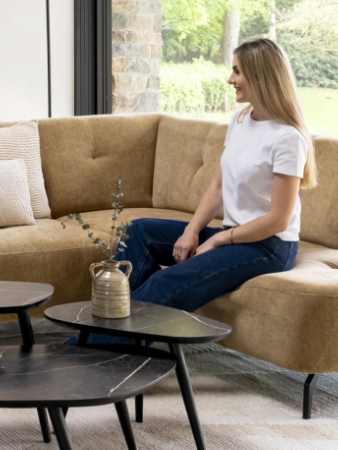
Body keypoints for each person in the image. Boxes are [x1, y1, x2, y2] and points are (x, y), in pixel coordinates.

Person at [75, 38, 317, 344]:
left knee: (166, 280)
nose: (230, 79)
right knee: (139, 231)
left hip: (268, 247)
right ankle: (122, 340)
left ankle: (85, 350)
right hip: (234, 235)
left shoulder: (288, 138)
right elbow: (218, 186)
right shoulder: (241, 120)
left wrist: (217, 239)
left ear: (260, 76)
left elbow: (278, 220)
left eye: (237, 71)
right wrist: (192, 230)